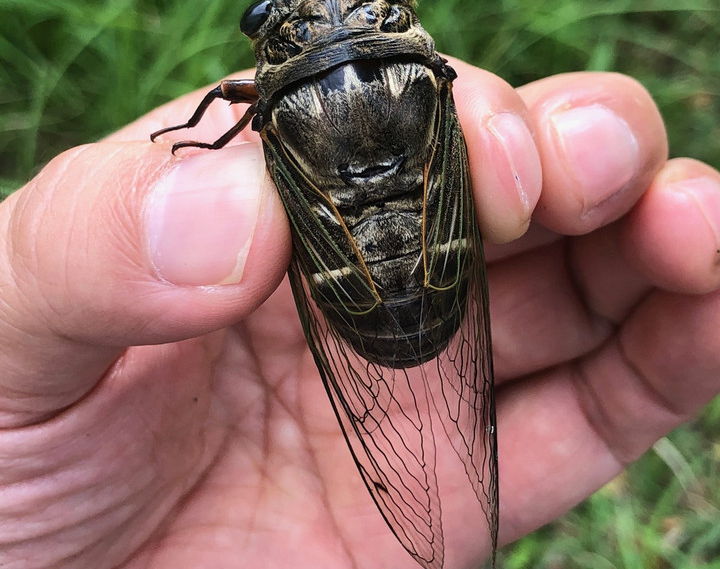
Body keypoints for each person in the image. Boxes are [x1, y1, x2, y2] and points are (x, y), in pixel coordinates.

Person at [1, 60, 718, 569]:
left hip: (368, 289)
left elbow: (223, 117)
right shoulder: (421, 76)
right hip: (404, 287)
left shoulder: (285, 95)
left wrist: (212, 138)